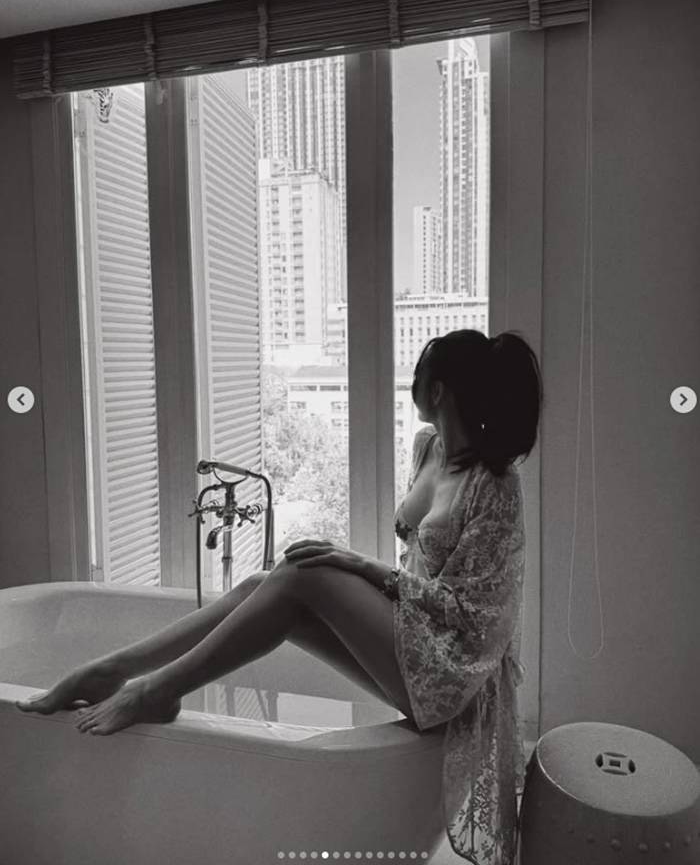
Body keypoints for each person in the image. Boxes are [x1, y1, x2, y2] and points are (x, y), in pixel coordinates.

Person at [17, 328, 542, 865]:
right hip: (413, 637)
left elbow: (477, 615)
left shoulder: (495, 485)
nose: (413, 382)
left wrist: (366, 568)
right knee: (259, 587)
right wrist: (370, 575)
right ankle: (115, 668)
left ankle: (155, 689)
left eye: (419, 373)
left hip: (452, 673)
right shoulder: (428, 448)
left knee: (300, 575)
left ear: (438, 390)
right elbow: (418, 568)